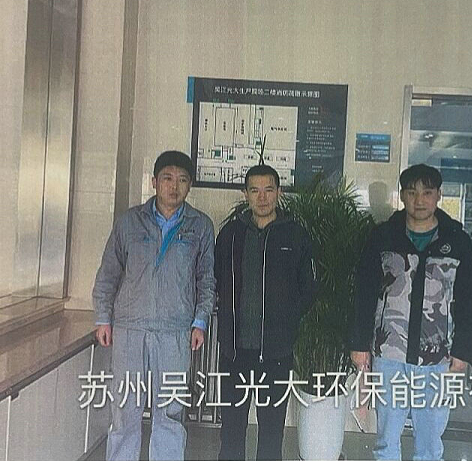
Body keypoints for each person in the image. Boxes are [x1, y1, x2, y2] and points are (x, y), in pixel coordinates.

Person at [92, 151, 215, 461]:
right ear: (154, 182)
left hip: (175, 330)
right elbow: (108, 273)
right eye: (167, 178)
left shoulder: (200, 226)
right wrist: (103, 318)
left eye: (182, 180)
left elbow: (206, 279)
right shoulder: (129, 222)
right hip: (130, 328)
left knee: (171, 410)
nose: (174, 186)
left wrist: (200, 321)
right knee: (125, 407)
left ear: (190, 186)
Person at [349, 164, 472, 460]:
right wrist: (359, 343)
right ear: (403, 196)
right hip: (389, 353)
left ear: (439, 195)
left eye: (427, 193)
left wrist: (463, 350)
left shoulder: (456, 240)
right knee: (386, 439)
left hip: (437, 357)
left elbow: (468, 300)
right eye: (412, 192)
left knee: (430, 442)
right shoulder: (384, 236)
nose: (420, 200)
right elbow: (365, 292)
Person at [215, 164, 314, 461]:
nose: (262, 197)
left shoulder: (295, 235)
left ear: (279, 193)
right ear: (245, 194)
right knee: (231, 432)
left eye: (268, 190)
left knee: (272, 433)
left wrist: (287, 320)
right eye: (255, 190)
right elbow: (216, 279)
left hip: (275, 354)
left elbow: (309, 287)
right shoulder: (230, 234)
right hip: (234, 352)